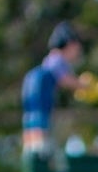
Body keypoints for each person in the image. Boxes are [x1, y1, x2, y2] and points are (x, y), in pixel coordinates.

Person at [20, 22, 87, 154]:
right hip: (41, 89)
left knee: (32, 117)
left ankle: (31, 148)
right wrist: (82, 85)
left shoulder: (50, 59)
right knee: (40, 117)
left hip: (30, 87)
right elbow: (64, 79)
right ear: (69, 45)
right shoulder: (58, 60)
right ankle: (39, 148)